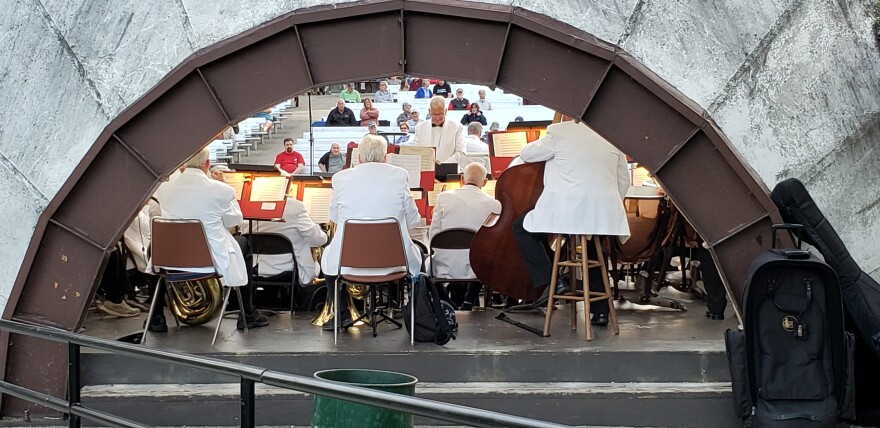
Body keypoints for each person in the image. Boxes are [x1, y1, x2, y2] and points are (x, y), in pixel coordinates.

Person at [512, 118, 630, 327]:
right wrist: (607, 208)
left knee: (521, 228)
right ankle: (601, 312)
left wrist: (546, 139)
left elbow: (527, 154)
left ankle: (553, 280)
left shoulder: (558, 132)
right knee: (593, 251)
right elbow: (624, 180)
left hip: (567, 212)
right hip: (604, 213)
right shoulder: (612, 133)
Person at [152, 148, 269, 331]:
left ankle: (156, 318)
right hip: (209, 260)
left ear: (182, 164)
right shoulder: (221, 189)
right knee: (243, 243)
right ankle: (247, 312)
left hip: (169, 259)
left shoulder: (164, 188)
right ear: (207, 164)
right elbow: (235, 220)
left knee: (156, 244)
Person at [319, 135, 422, 330]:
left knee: (328, 256)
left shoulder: (340, 178)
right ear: (385, 157)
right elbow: (413, 220)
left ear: (358, 158)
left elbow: (334, 216)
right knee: (420, 256)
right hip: (395, 261)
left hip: (348, 262)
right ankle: (416, 315)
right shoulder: (400, 175)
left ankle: (340, 315)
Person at [429, 163, 500, 310]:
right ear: (485, 182)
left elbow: (433, 235)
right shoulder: (494, 204)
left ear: (462, 179)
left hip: (445, 266)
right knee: (484, 253)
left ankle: (446, 302)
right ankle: (469, 300)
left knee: (424, 263)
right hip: (477, 269)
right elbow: (494, 242)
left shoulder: (443, 197)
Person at [248, 197, 328, 287]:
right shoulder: (295, 207)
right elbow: (318, 240)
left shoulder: (247, 206)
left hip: (252, 269)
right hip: (289, 269)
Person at [412, 96, 467, 164]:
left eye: (440, 114)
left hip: (449, 171)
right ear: (429, 111)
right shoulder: (420, 128)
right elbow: (415, 150)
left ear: (445, 111)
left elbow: (461, 152)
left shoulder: (457, 127)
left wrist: (443, 164)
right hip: (425, 170)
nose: (437, 118)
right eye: (434, 114)